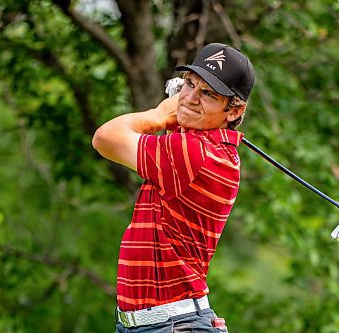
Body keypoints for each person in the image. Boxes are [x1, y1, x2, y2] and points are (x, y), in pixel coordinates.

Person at [92, 42, 255, 332]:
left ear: (234, 110)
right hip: (157, 324)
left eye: (208, 93)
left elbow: (105, 138)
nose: (190, 97)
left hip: (173, 325)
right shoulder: (211, 149)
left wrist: (157, 114)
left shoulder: (196, 153)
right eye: (189, 84)